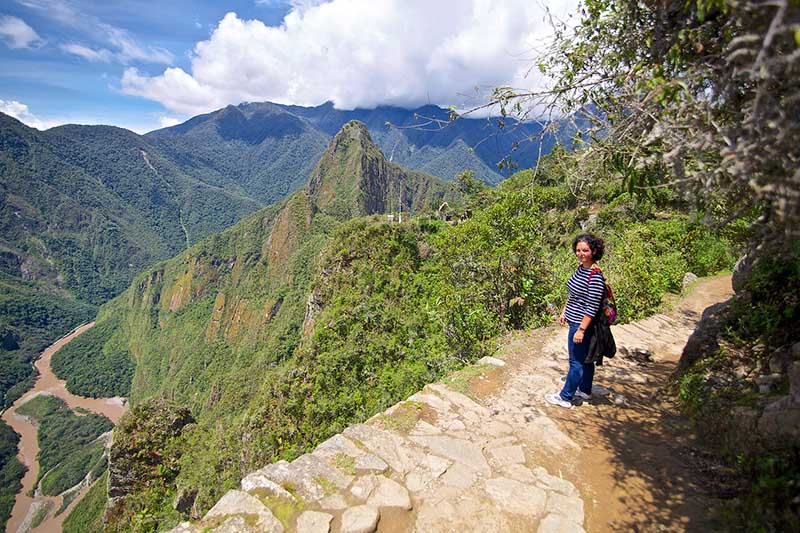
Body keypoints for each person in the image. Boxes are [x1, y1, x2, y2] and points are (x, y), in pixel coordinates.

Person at [545, 233, 606, 409]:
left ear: (594, 251)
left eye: (585, 250)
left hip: (581, 324)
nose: (581, 253)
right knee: (586, 360)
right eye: (578, 250)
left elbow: (592, 307)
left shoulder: (594, 276)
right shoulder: (582, 268)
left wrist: (581, 330)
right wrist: (564, 311)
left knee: (576, 362)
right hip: (573, 319)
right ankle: (585, 390)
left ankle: (565, 397)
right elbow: (573, 294)